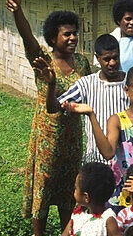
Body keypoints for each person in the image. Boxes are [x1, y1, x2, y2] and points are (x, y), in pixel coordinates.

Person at [3, 0, 90, 236]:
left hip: (73, 136)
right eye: (67, 34)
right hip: (47, 135)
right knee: (44, 187)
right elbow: (27, 37)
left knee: (69, 189)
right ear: (54, 37)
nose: (73, 38)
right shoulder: (43, 59)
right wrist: (18, 12)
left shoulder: (83, 63)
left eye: (75, 33)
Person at [69, 64, 133, 206]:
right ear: (127, 91)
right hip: (122, 197)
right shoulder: (117, 121)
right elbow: (108, 153)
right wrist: (91, 115)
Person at [49, 34, 127, 163]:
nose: (112, 63)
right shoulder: (86, 84)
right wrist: (51, 85)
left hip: (127, 161)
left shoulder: (130, 83)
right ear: (97, 58)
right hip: (97, 161)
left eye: (115, 57)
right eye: (107, 59)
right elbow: (53, 107)